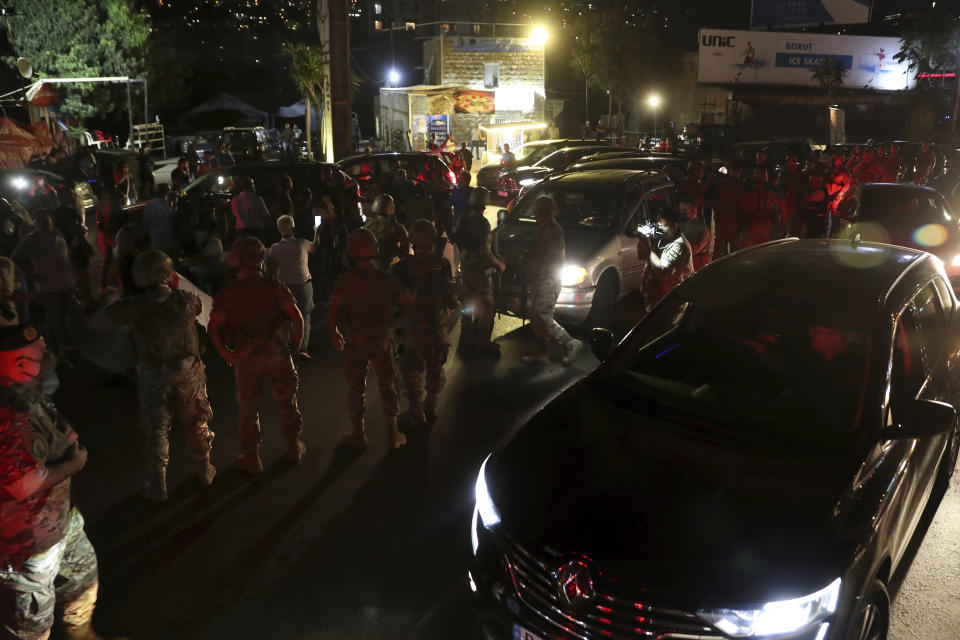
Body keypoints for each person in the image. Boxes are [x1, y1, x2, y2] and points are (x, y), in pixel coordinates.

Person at [0, 325, 115, 640]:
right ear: (21, 365)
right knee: (32, 625)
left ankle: (83, 634)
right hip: (26, 546)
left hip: (60, 519)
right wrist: (71, 465)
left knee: (81, 583)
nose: (49, 355)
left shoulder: (25, 391)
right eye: (42, 351)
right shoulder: (5, 417)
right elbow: (19, 486)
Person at [90, 251, 215, 501]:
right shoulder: (186, 301)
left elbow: (97, 322)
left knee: (156, 428)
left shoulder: (131, 306)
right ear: (167, 275)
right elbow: (202, 308)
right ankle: (204, 469)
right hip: (187, 370)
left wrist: (110, 300)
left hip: (152, 374)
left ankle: (158, 484)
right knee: (196, 419)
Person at [209, 237, 306, 473]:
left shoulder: (229, 293)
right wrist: (296, 342)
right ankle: (293, 446)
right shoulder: (274, 286)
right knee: (286, 400)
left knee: (248, 407)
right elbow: (296, 316)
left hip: (246, 357)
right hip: (277, 354)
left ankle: (252, 457)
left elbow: (214, 326)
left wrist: (225, 352)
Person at [328, 229, 412, 449]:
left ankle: (359, 434)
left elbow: (334, 308)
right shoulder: (385, 277)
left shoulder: (346, 280)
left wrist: (334, 331)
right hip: (383, 340)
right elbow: (407, 299)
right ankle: (393, 435)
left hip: (358, 340)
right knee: (388, 384)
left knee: (356, 386)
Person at [391, 220, 458, 424]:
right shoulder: (443, 265)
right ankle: (431, 404)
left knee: (411, 370)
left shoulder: (401, 268)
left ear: (412, 239)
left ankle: (416, 410)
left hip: (413, 328)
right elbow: (452, 300)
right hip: (438, 327)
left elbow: (393, 300)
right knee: (435, 367)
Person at [523, 197, 582, 365]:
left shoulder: (550, 229)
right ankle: (542, 354)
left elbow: (545, 255)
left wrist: (530, 263)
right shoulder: (545, 228)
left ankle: (570, 343)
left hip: (547, 279)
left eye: (538, 209)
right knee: (537, 317)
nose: (535, 212)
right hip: (543, 278)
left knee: (543, 317)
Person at [12, 211, 76, 352]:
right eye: (41, 221)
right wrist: (32, 275)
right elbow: (16, 257)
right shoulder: (31, 239)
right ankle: (54, 347)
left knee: (65, 315)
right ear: (36, 222)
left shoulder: (57, 233)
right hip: (49, 286)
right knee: (53, 318)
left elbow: (64, 256)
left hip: (66, 282)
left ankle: (67, 343)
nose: (46, 223)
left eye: (47, 220)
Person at [266, 213, 322, 360]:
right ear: (293, 228)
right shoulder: (302, 243)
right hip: (303, 285)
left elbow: (269, 268)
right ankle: (303, 348)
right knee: (305, 316)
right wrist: (317, 231)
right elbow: (315, 247)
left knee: (285, 316)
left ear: (279, 230)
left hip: (284, 287)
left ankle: (287, 345)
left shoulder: (274, 249)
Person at [455, 187, 504, 354]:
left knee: (468, 304)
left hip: (465, 268)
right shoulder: (483, 224)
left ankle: (465, 339)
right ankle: (482, 342)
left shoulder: (463, 219)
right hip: (480, 271)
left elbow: (457, 239)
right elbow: (485, 252)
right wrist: (499, 264)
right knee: (487, 305)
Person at [637, 207, 694, 312]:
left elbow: (662, 272)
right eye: (658, 225)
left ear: (675, 226)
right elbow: (640, 256)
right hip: (655, 300)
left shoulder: (680, 246)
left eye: (663, 226)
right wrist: (642, 238)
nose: (659, 229)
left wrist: (649, 248)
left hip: (671, 304)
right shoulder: (661, 240)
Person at [51, 186, 93, 306]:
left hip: (63, 248)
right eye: (69, 194)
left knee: (73, 275)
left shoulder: (55, 213)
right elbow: (75, 230)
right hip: (74, 247)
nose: (72, 197)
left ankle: (77, 300)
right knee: (82, 274)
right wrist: (85, 244)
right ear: (62, 197)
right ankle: (88, 301)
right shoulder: (69, 212)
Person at [94, 182, 126, 295]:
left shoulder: (103, 204)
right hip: (114, 238)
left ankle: (105, 287)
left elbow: (99, 222)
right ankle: (121, 287)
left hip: (107, 237)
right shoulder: (115, 208)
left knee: (110, 262)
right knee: (118, 262)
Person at [364, 194, 409, 269]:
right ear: (391, 207)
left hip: (370, 266)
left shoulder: (368, 225)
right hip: (389, 267)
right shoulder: (396, 227)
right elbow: (405, 249)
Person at [141, 184, 179, 257]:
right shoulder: (169, 203)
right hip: (170, 241)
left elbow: (146, 226)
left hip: (156, 242)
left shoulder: (148, 206)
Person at [230, 176, 271, 243]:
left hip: (241, 231)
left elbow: (234, 215)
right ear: (250, 185)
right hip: (256, 230)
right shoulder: (257, 199)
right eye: (253, 184)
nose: (254, 185)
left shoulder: (235, 200)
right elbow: (266, 214)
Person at [679, 196, 713, 270]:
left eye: (684, 210)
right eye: (680, 210)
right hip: (687, 267)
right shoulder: (681, 226)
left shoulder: (702, 228)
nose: (681, 213)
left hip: (698, 267)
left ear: (694, 210)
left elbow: (694, 249)